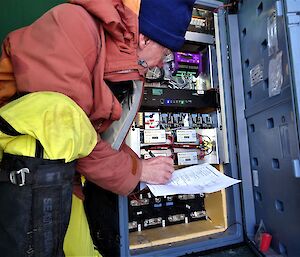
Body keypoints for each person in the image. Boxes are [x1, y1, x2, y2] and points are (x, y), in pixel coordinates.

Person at [0, 0, 195, 256]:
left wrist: (142, 168)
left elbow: (99, 140)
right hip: (18, 156)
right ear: (145, 40)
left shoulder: (131, 71)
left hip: (63, 171)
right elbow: (64, 131)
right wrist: (138, 172)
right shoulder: (72, 25)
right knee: (56, 111)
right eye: (166, 53)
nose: (162, 63)